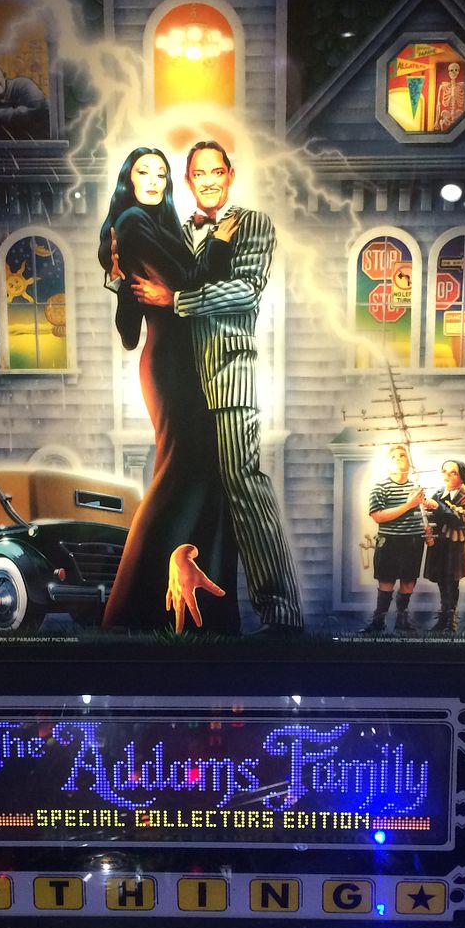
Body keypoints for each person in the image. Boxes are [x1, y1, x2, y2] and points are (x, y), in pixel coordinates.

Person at [131, 140, 304, 633]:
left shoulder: (253, 224)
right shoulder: (176, 231)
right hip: (182, 386)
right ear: (189, 181)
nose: (208, 181)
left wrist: (176, 299)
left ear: (230, 175)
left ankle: (282, 616)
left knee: (243, 486)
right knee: (191, 490)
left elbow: (245, 291)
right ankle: (189, 617)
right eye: (198, 174)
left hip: (229, 377)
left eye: (216, 172)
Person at [98, 147, 240, 634]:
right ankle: (130, 609)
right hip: (172, 365)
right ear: (128, 179)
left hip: (182, 360)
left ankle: (186, 604)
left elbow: (132, 330)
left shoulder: (159, 226)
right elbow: (193, 282)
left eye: (161, 173)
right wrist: (220, 244)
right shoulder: (134, 223)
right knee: (181, 471)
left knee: (197, 474)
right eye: (144, 172)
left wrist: (124, 283)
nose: (154, 180)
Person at [362, 444, 426, 634]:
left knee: (408, 582)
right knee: (386, 581)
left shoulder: (416, 488)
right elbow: (378, 516)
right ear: (387, 463)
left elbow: (423, 512)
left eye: (402, 455)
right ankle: (378, 623)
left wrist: (426, 507)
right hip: (389, 542)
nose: (398, 459)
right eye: (393, 457)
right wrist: (409, 505)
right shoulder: (380, 487)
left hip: (413, 542)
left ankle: (402, 621)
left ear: (409, 462)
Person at [423, 459, 465, 633]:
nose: (447, 475)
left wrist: (438, 507)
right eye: (444, 471)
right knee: (441, 580)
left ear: (462, 477)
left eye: (453, 472)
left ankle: (451, 621)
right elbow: (432, 516)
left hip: (454, 545)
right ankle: (443, 618)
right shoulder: (438, 493)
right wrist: (427, 510)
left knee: (452, 581)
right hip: (439, 543)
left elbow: (463, 520)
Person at [435, 60, 465, 131]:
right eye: (451, 70)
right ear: (448, 72)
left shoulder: (462, 86)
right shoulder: (443, 86)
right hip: (446, 115)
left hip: (458, 114)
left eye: (456, 70)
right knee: (443, 115)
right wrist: (436, 122)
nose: (453, 73)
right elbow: (438, 104)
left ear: (458, 72)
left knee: (460, 113)